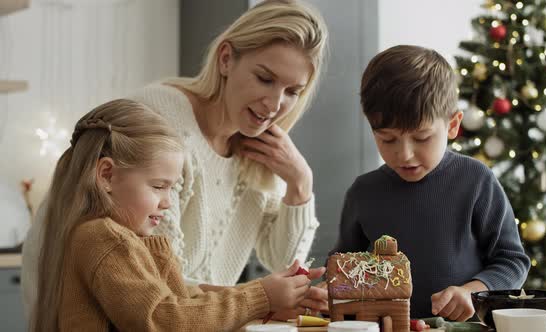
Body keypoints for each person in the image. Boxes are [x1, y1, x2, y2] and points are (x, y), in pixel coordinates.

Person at [22, 0, 329, 320]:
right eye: (265, 79)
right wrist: (261, 300)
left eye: (293, 91)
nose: (275, 104)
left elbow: (283, 267)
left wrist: (300, 184)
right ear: (226, 59)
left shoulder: (264, 151)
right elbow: (158, 288)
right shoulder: (164, 126)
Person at [31, 99, 324, 332]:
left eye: (172, 189)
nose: (168, 202)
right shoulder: (102, 238)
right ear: (107, 175)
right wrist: (261, 295)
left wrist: (268, 301)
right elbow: (164, 320)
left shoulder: (119, 240)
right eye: (159, 186)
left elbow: (182, 298)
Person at [329, 45, 531, 321]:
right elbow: (343, 268)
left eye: (422, 137)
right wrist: (326, 290)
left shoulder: (475, 180)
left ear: (452, 125)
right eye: (387, 139)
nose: (405, 154)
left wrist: (472, 291)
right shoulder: (363, 192)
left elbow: (511, 260)